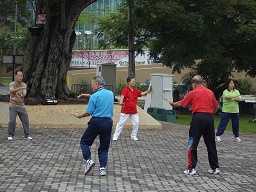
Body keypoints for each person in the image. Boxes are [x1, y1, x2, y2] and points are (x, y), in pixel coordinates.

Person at [169, 75, 220, 176]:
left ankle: (191, 168)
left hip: (198, 118)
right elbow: (216, 107)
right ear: (201, 82)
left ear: (194, 83)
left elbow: (183, 103)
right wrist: (209, 113)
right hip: (209, 118)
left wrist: (174, 104)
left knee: (192, 143)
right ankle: (215, 168)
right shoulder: (210, 92)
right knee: (211, 144)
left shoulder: (193, 92)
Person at [73, 76, 114, 176]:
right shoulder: (111, 94)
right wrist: (85, 95)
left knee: (84, 142)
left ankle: (88, 161)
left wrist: (79, 116)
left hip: (96, 122)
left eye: (92, 84)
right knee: (104, 147)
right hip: (108, 122)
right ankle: (102, 169)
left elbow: (89, 112)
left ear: (97, 84)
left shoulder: (94, 96)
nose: (91, 86)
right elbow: (99, 95)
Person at [112, 77, 151, 141]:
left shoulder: (135, 90)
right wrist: (121, 102)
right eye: (132, 81)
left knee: (136, 123)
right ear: (128, 82)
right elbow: (122, 97)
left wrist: (148, 91)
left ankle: (133, 136)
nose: (134, 82)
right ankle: (115, 136)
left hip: (134, 111)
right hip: (125, 110)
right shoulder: (125, 89)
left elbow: (141, 93)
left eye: (134, 81)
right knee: (121, 124)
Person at [8, 69, 32, 141]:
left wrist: (20, 93)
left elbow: (24, 94)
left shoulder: (24, 84)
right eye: (19, 76)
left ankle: (27, 135)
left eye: (21, 76)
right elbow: (11, 90)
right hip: (13, 105)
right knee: (12, 121)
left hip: (21, 105)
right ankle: (10, 135)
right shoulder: (11, 84)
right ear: (15, 76)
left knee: (26, 121)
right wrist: (19, 89)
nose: (20, 77)